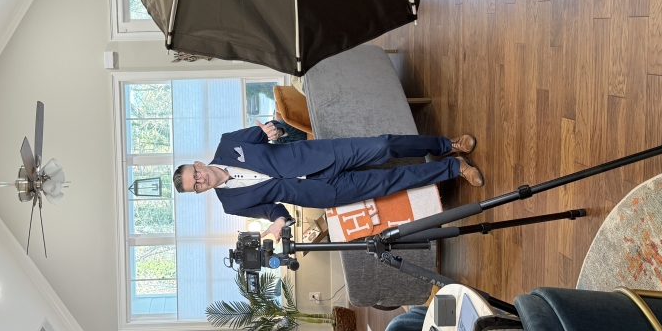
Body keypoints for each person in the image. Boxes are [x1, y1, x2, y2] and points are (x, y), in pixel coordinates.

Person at [172, 126, 482, 239]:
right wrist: (278, 222)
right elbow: (271, 209)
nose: (200, 181)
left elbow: (273, 129)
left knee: (383, 146)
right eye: (195, 186)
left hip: (320, 155)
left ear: (198, 164)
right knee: (390, 182)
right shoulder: (231, 205)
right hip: (321, 192)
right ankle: (454, 167)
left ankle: (448, 145)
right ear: (198, 192)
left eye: (195, 175)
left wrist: (275, 130)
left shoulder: (229, 143)